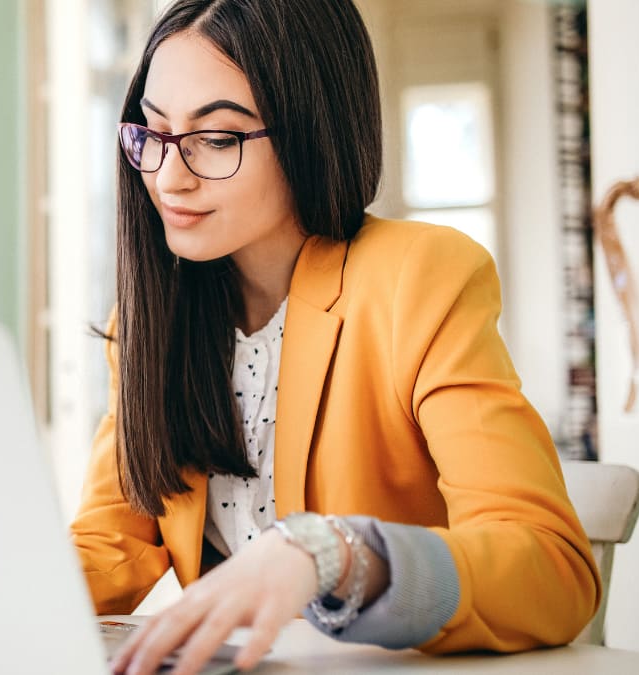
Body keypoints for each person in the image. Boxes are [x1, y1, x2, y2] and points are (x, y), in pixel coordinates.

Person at [67, 1, 601, 673]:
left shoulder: (421, 279)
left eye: (219, 137)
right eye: (154, 130)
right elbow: (111, 545)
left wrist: (332, 551)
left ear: (310, 131)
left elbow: (553, 570)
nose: (169, 175)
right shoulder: (148, 322)